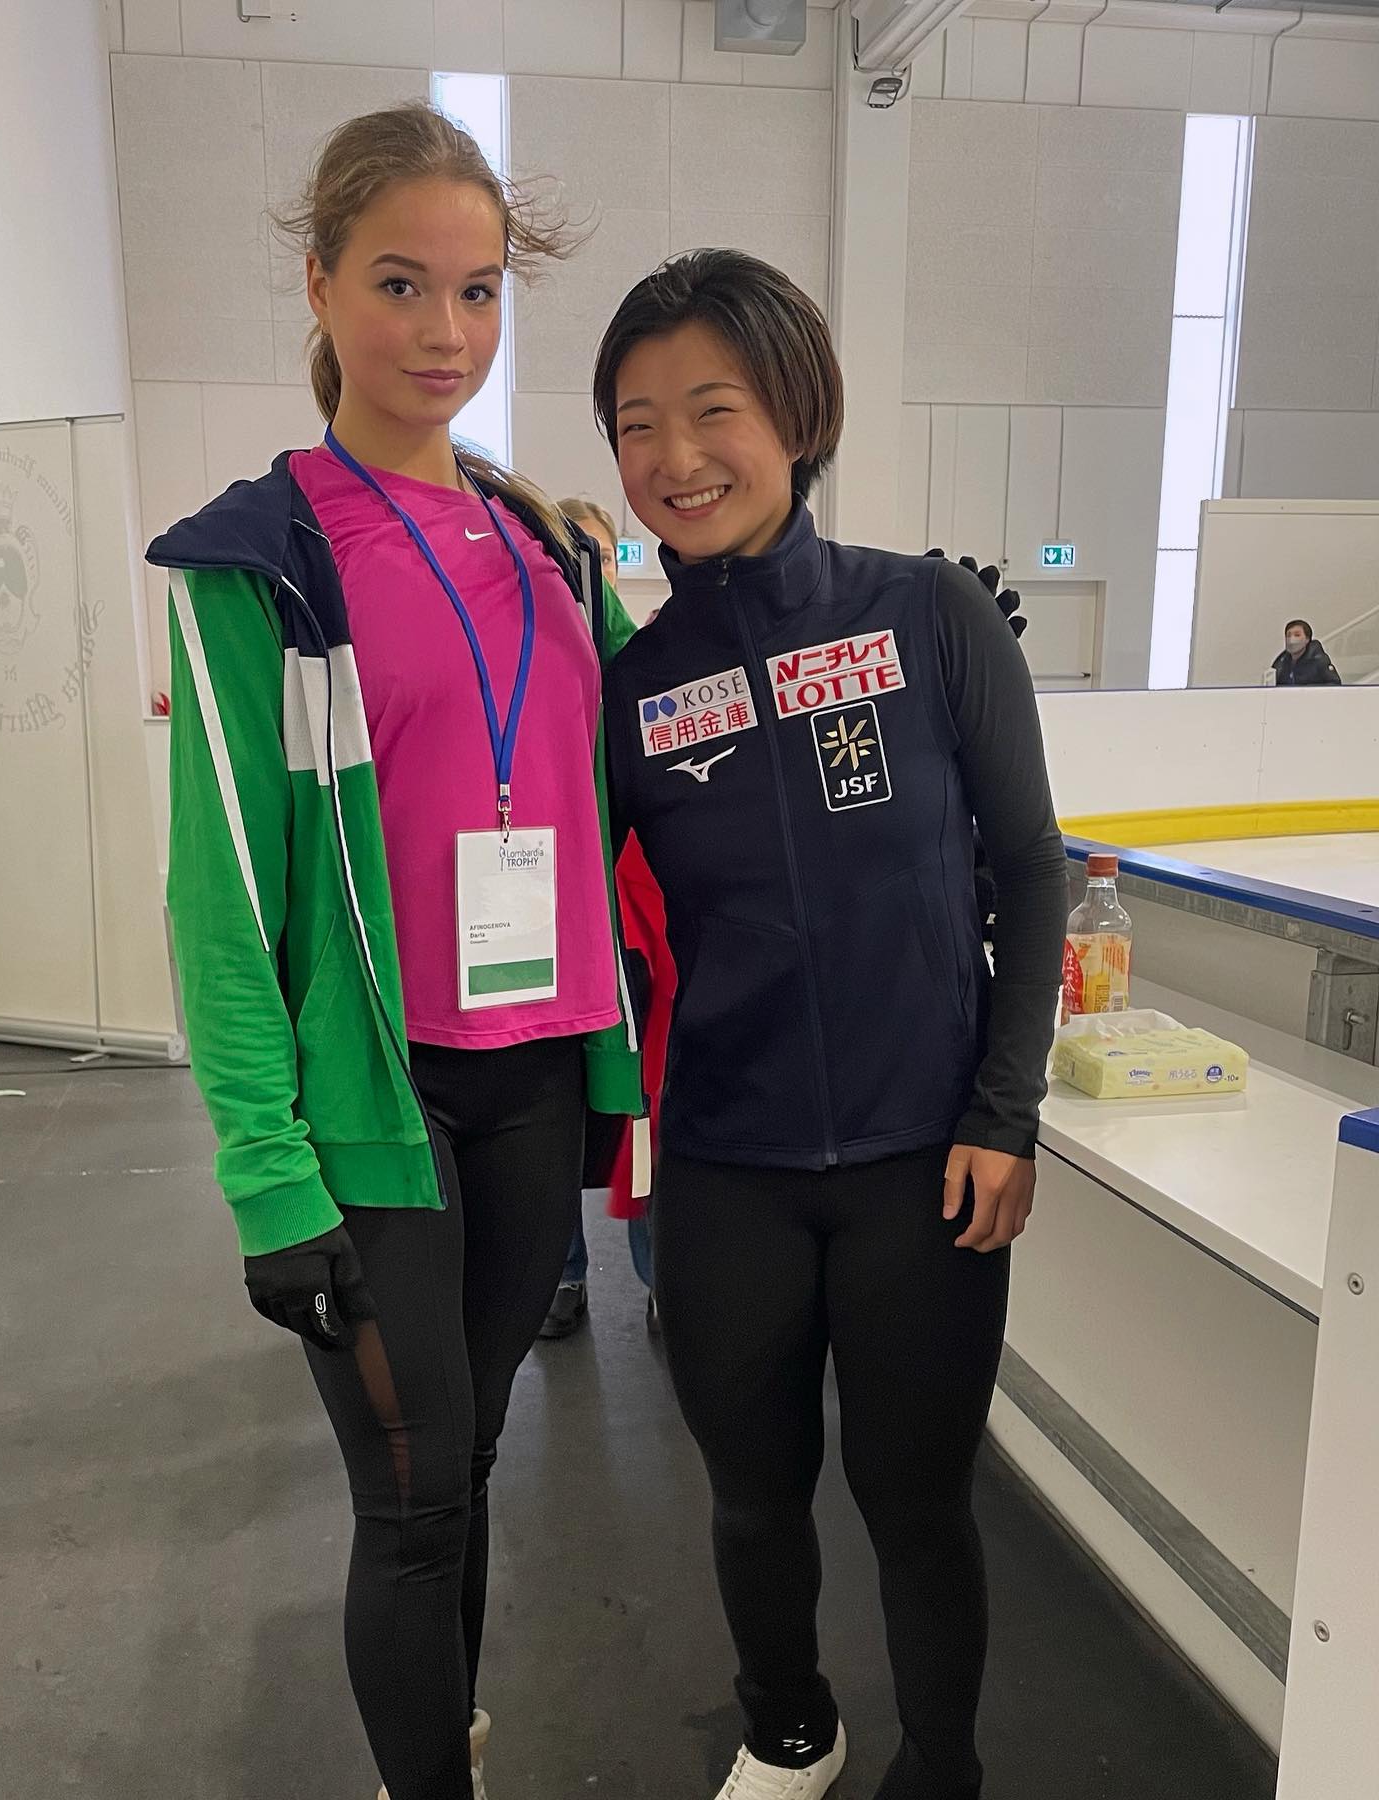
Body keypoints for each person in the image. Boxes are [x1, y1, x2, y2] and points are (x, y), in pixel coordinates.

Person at [146, 103, 640, 1800]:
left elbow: (636, 777)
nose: (445, 332)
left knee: (471, 1461)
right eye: (400, 284)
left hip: (536, 1081)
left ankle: (447, 1747)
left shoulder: (551, 550)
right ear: (320, 283)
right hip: (375, 1103)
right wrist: (263, 1174)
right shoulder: (261, 565)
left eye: (479, 291)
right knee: (415, 1500)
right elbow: (222, 897)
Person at [593, 250, 1069, 1800]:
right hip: (726, 1166)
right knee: (752, 1499)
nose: (676, 457)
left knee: (916, 1502)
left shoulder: (927, 612)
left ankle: (944, 1766)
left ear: (797, 417)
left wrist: (1004, 1112)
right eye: (637, 425)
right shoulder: (633, 687)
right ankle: (791, 1729)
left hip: (923, 1164)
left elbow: (1032, 870)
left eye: (712, 409)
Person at [539, 496, 664, 1339]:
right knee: (556, 1114)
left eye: (602, 560)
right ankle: (562, 1274)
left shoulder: (643, 660)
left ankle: (662, 1277)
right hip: (560, 925)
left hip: (641, 930)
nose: (590, 575)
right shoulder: (535, 662)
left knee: (648, 1110)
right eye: (572, 558)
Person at [1273, 618, 1341, 687]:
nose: (1291, 639)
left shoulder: (1319, 660)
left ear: (1307, 639)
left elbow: (1335, 684)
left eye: (1297, 635)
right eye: (1288, 635)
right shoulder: (1281, 661)